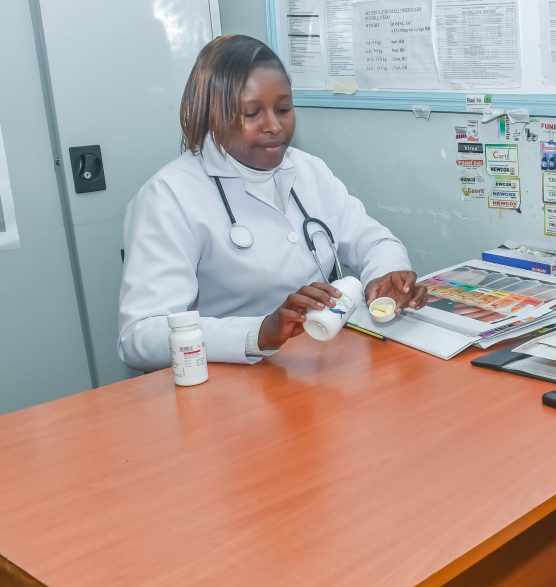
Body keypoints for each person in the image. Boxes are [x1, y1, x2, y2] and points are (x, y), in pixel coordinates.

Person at [118, 35, 427, 372]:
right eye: (251, 113)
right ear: (212, 115)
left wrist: (386, 277)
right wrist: (259, 333)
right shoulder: (169, 195)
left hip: (318, 366)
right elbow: (140, 336)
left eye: (283, 109)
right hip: (229, 381)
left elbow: (375, 241)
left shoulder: (308, 170)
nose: (274, 126)